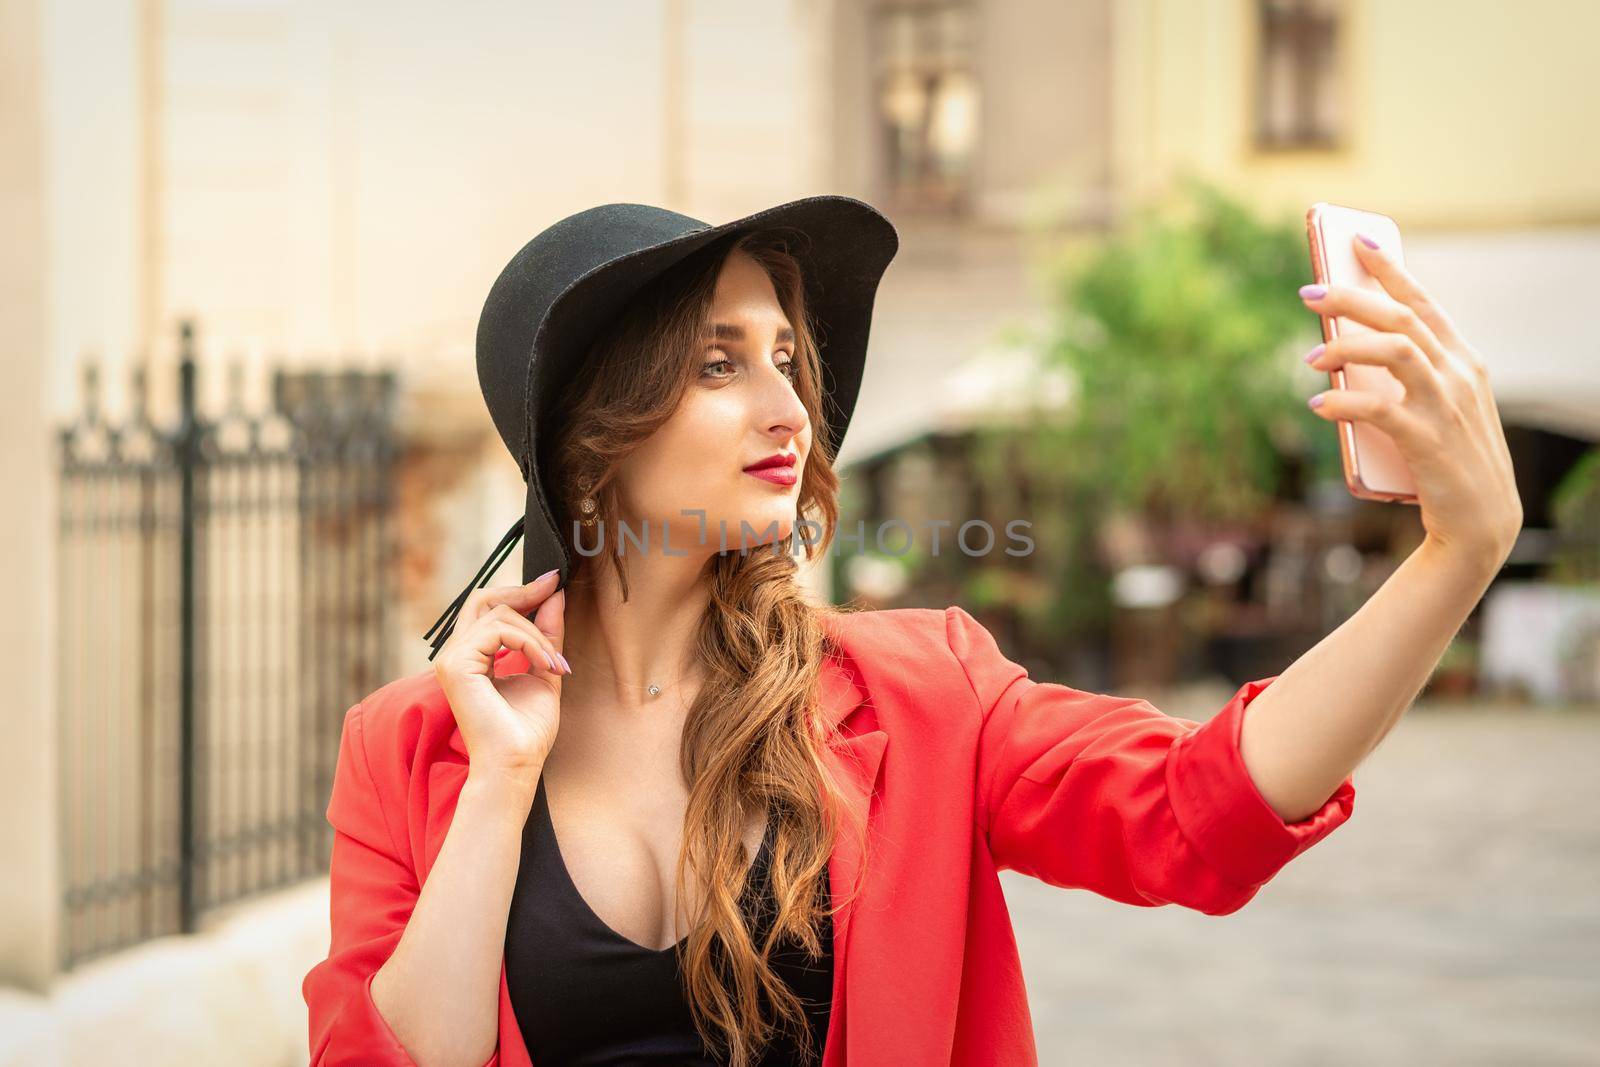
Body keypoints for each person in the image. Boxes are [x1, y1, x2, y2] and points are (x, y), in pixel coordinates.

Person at [301, 197, 1522, 1067]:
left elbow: (1193, 811)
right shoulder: (412, 748)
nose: (790, 406)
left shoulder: (920, 687)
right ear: (593, 429)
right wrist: (499, 784)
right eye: (721, 363)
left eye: (789, 357)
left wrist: (1452, 558)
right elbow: (398, 1055)